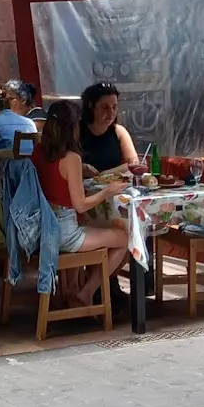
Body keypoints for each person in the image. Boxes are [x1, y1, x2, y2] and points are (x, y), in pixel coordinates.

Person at [31, 101, 130, 308]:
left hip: (43, 230)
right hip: (65, 233)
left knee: (98, 228)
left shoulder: (38, 151)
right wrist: (107, 192)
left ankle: (74, 290)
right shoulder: (71, 158)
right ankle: (87, 292)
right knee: (124, 238)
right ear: (74, 127)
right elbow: (81, 205)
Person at [79, 82, 138, 176]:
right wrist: (80, 167)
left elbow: (133, 163)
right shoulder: (75, 131)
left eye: (114, 107)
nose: (111, 113)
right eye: (105, 107)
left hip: (115, 186)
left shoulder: (119, 131)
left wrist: (104, 174)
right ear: (91, 106)